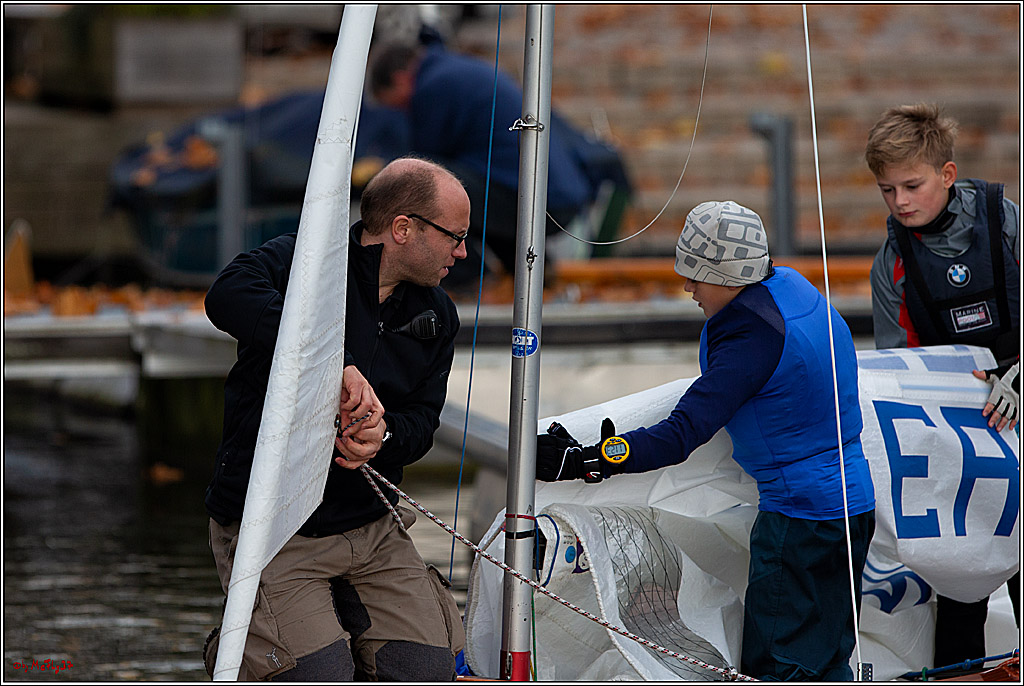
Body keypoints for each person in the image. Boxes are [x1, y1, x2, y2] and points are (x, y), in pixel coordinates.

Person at [536, 200, 876, 681]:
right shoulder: (794, 288)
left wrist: (592, 458)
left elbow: (680, 436)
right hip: (853, 507)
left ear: (729, 276)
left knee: (778, 669)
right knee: (828, 662)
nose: (687, 286)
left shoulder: (751, 338)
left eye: (696, 274)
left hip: (802, 524)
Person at [202, 156, 469, 680]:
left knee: (427, 670)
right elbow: (225, 295)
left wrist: (382, 436)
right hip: (275, 526)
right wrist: (333, 363)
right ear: (402, 229)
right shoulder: (303, 261)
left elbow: (421, 426)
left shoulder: (438, 315)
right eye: (454, 236)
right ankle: (242, 649)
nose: (463, 251)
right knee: (319, 675)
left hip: (372, 528)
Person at [864, 103, 1021, 668]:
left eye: (912, 185)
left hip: (1020, 403)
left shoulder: (1006, 222)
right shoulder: (892, 263)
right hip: (965, 437)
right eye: (887, 190)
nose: (901, 201)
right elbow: (895, 367)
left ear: (947, 176)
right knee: (964, 584)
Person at [369, 34, 599, 290]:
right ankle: (535, 277)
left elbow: (420, 169)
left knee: (423, 188)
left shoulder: (431, 87)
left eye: (397, 106)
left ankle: (462, 279)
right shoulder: (454, 68)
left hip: (538, 203)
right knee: (469, 184)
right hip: (556, 197)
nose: (401, 113)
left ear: (400, 79)